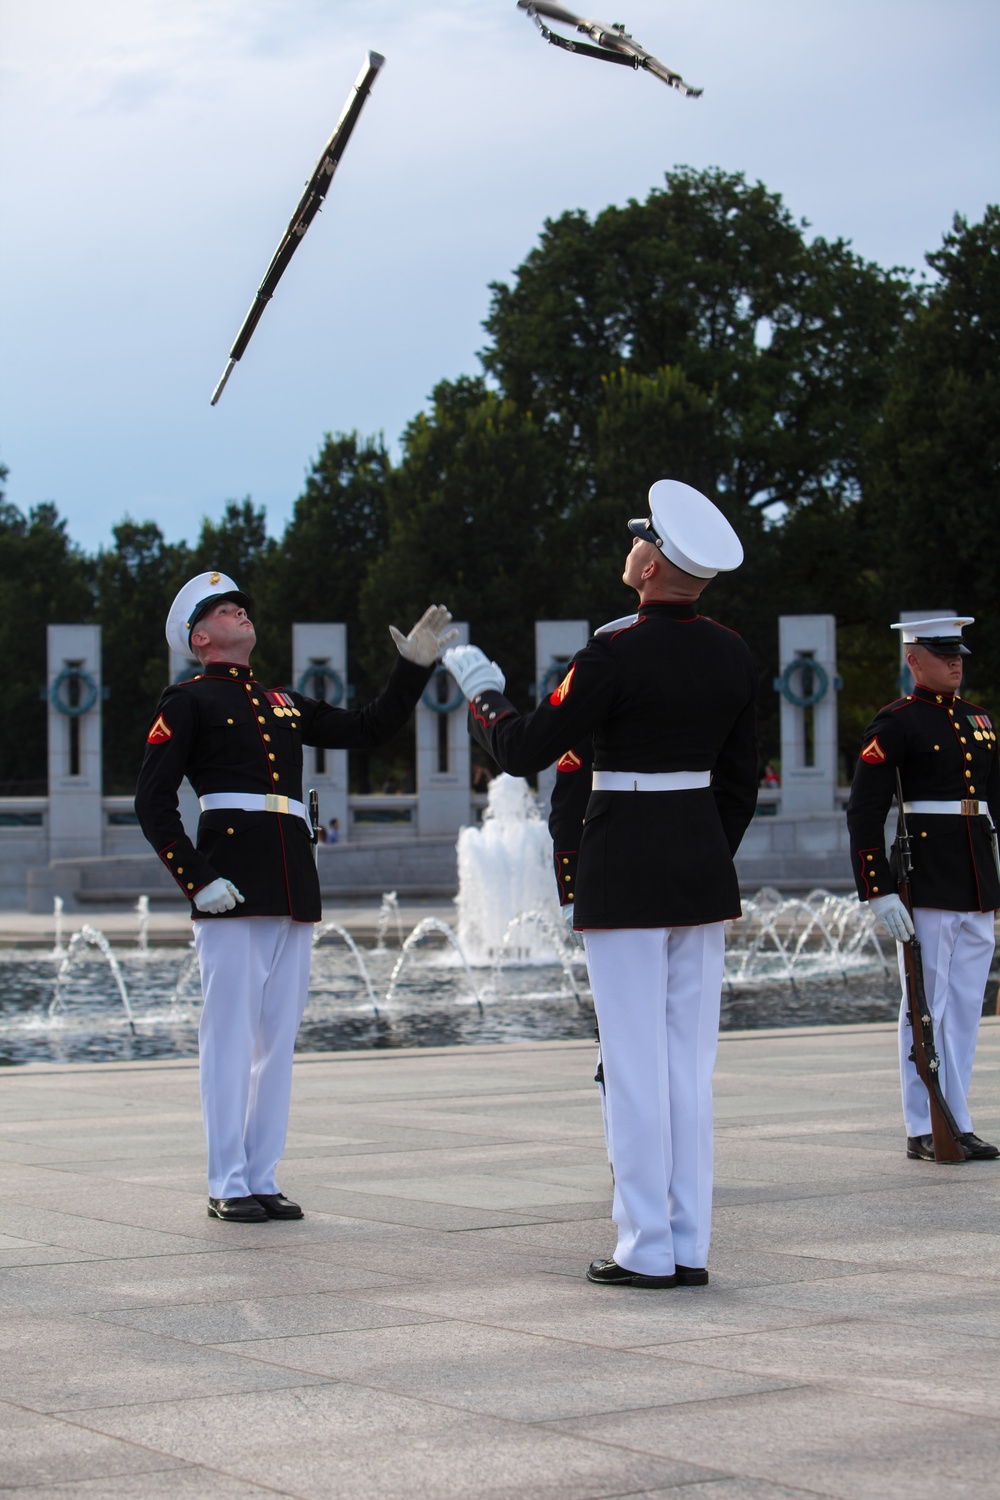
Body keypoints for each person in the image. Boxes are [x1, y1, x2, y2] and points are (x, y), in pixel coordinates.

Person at [444, 480, 758, 1287]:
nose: (630, 549)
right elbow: (741, 781)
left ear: (650, 565)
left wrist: (482, 693)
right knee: (688, 1066)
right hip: (699, 873)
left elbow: (523, 750)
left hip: (625, 869)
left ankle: (644, 1247)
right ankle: (689, 1244)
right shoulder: (731, 651)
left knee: (632, 1063)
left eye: (637, 541)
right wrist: (702, 850)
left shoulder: (612, 653)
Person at [135, 572, 456, 1221]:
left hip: (289, 884)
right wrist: (197, 880)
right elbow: (153, 802)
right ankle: (226, 1179)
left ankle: (261, 1173)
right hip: (230, 884)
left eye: (242, 607)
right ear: (200, 638)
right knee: (229, 1038)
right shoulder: (187, 702)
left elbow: (371, 727)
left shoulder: (282, 701)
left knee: (275, 1041)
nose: (240, 613)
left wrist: (413, 668)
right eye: (224, 610)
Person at [846, 616, 999, 1163]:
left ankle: (956, 1118)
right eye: (942, 653)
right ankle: (924, 1123)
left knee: (963, 1008)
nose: (956, 661)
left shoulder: (979, 719)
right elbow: (865, 812)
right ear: (914, 659)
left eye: (958, 653)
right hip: (926, 877)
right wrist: (877, 889)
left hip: (978, 879)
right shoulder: (896, 723)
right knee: (923, 1005)